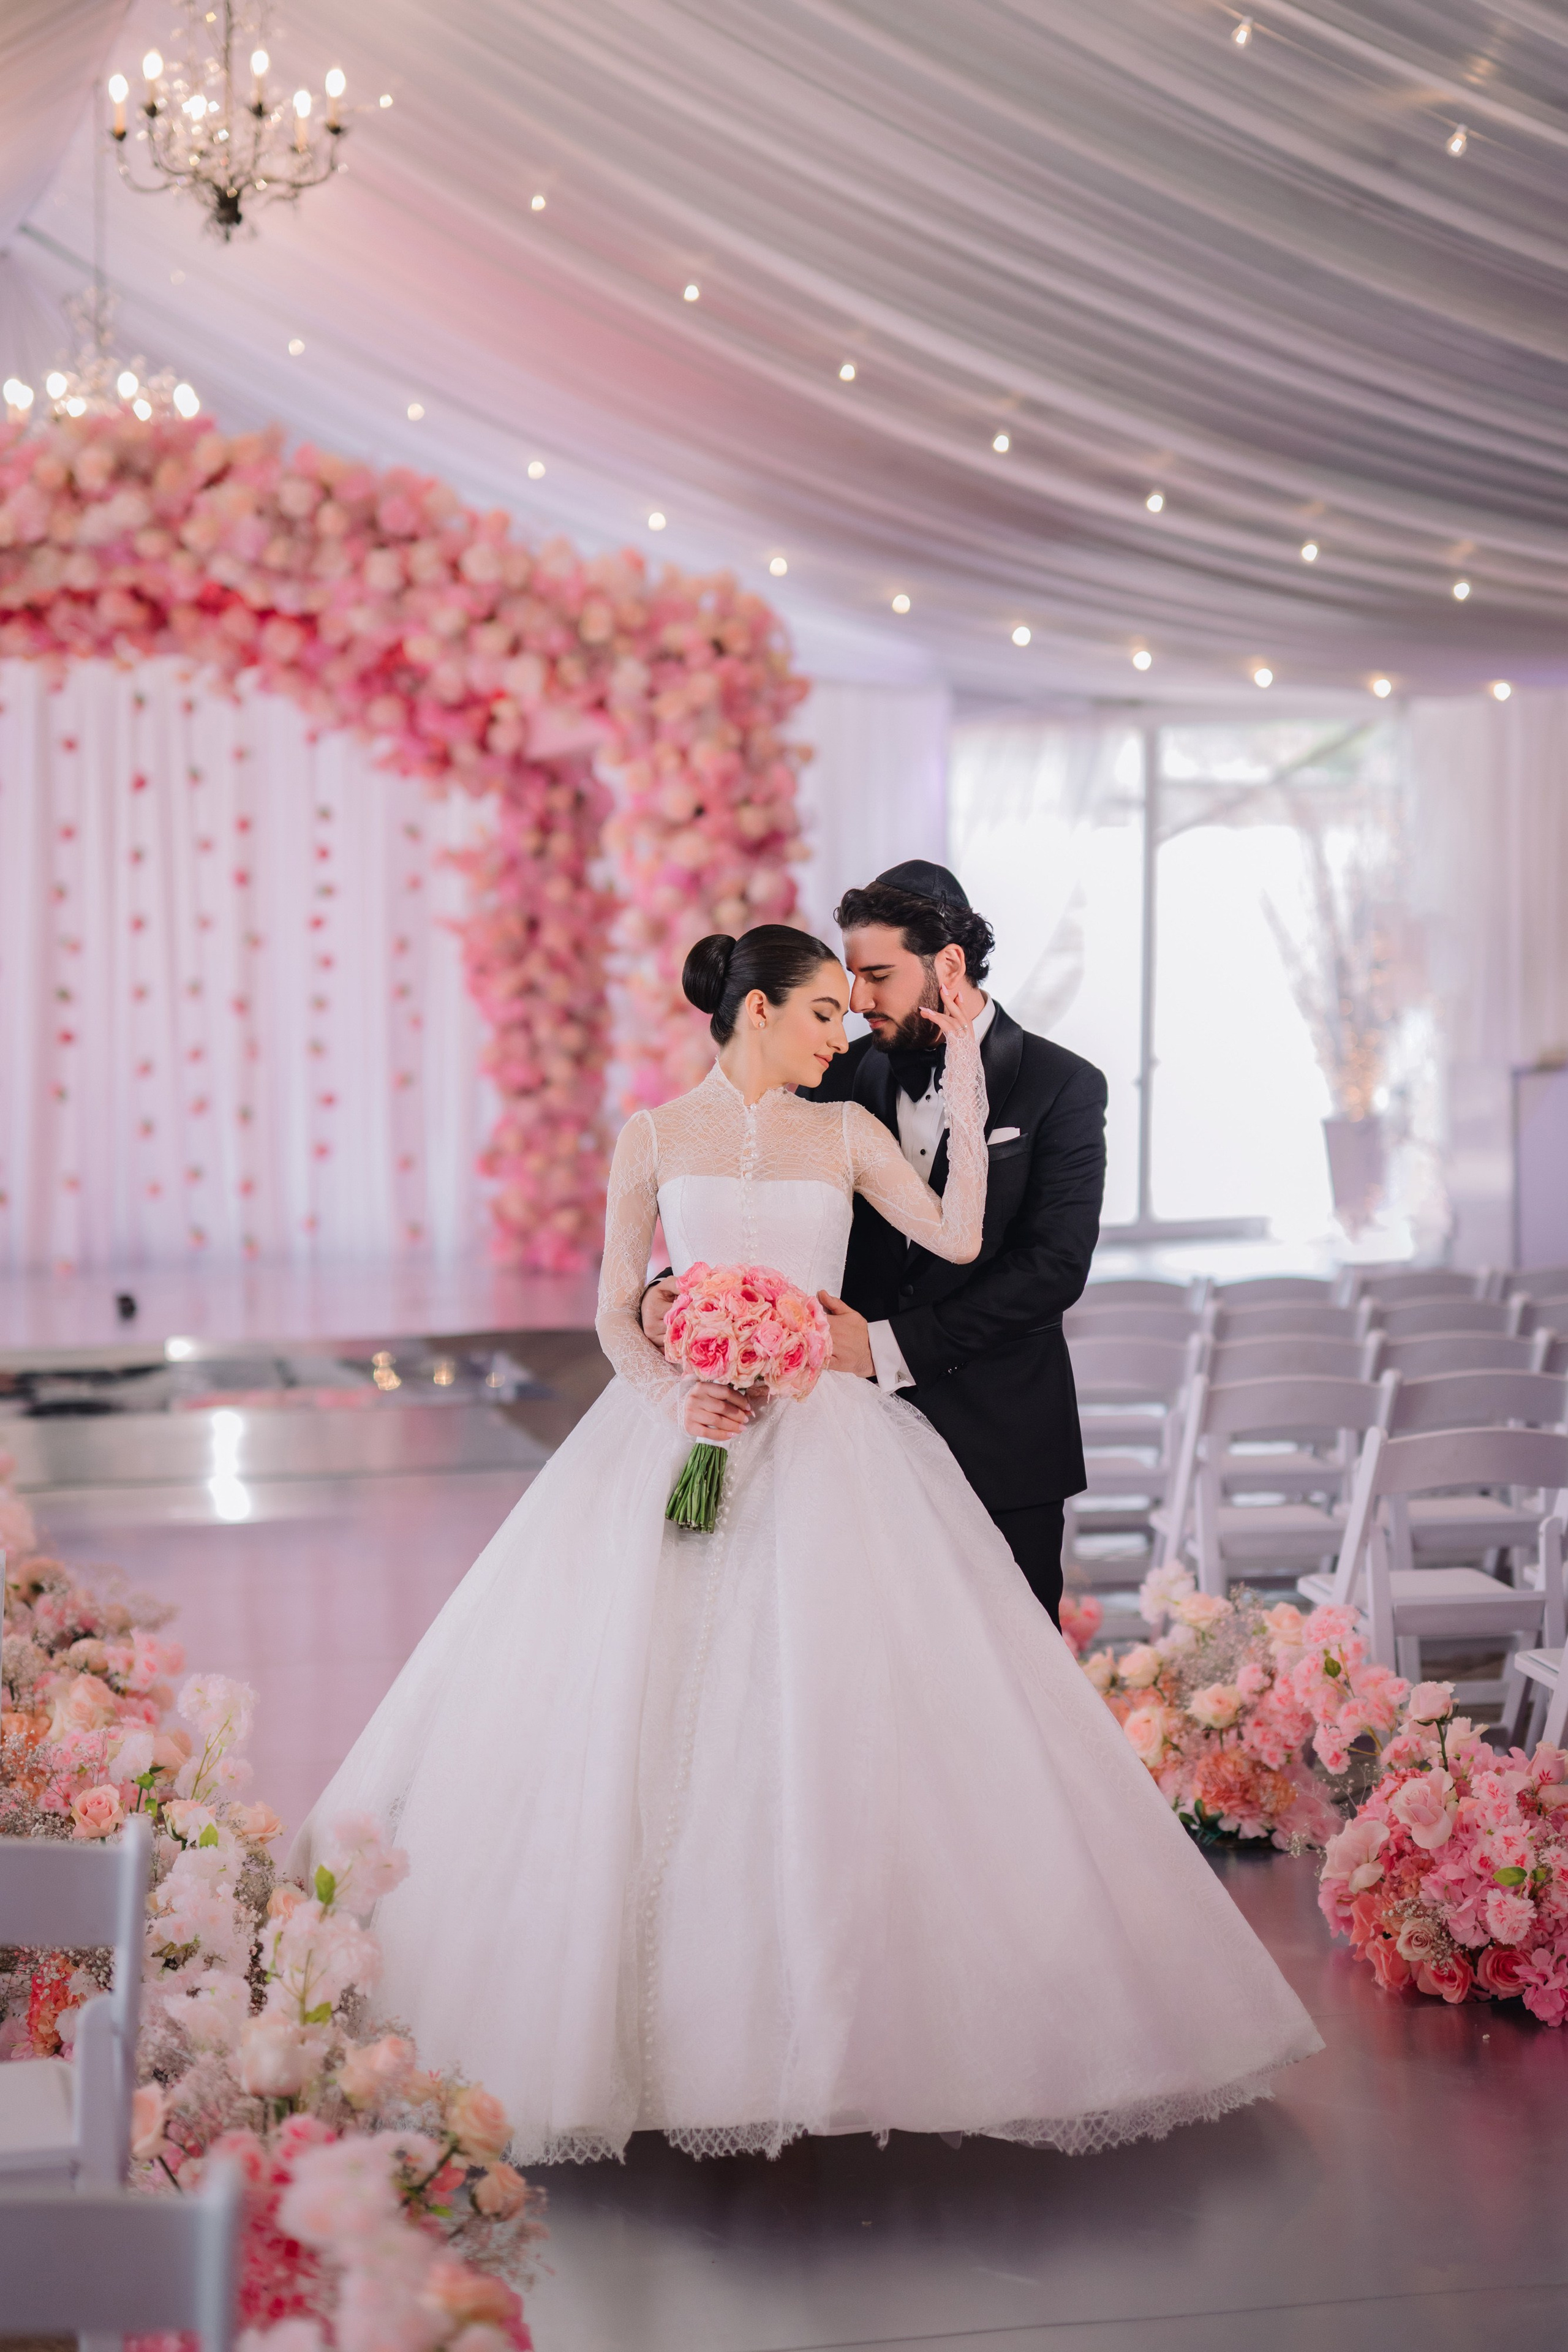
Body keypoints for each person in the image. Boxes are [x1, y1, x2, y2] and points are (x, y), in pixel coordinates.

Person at [292, 925, 1319, 2165]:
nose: (842, 1032)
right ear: (760, 1012)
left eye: (847, 1008)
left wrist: (968, 1086)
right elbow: (615, 1311)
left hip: (828, 1437)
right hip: (681, 1433)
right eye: (823, 1011)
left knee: (835, 1709)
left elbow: (951, 1240)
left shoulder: (844, 1133)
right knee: (642, 1706)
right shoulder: (653, 1135)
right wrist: (680, 1389)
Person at [643, 861, 1104, 1624]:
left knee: (1012, 1687)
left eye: (878, 976)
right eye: (850, 978)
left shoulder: (1063, 1085)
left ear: (946, 965)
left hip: (1000, 1437)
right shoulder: (833, 1073)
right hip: (840, 1454)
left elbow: (1053, 1268)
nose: (856, 1003)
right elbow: (757, 1200)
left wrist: (884, 1346)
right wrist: (672, 1290)